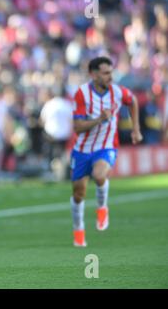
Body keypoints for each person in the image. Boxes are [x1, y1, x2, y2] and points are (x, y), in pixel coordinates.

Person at [70, 56, 143, 247]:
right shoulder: (82, 94)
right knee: (79, 193)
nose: (110, 77)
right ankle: (79, 230)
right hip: (82, 150)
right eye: (106, 73)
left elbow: (132, 100)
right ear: (93, 75)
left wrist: (136, 129)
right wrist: (99, 120)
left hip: (106, 146)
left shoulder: (118, 92)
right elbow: (77, 127)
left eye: (111, 72)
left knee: (99, 174)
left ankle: (102, 208)